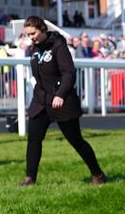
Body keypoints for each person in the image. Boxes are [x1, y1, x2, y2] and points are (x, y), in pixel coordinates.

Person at [20, 16, 106, 186]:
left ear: (43, 29)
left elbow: (69, 73)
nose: (31, 38)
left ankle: (97, 174)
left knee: (76, 140)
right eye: (28, 35)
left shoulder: (58, 45)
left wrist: (60, 94)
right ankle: (30, 178)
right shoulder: (34, 49)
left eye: (33, 33)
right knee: (34, 139)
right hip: (41, 101)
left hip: (62, 101)